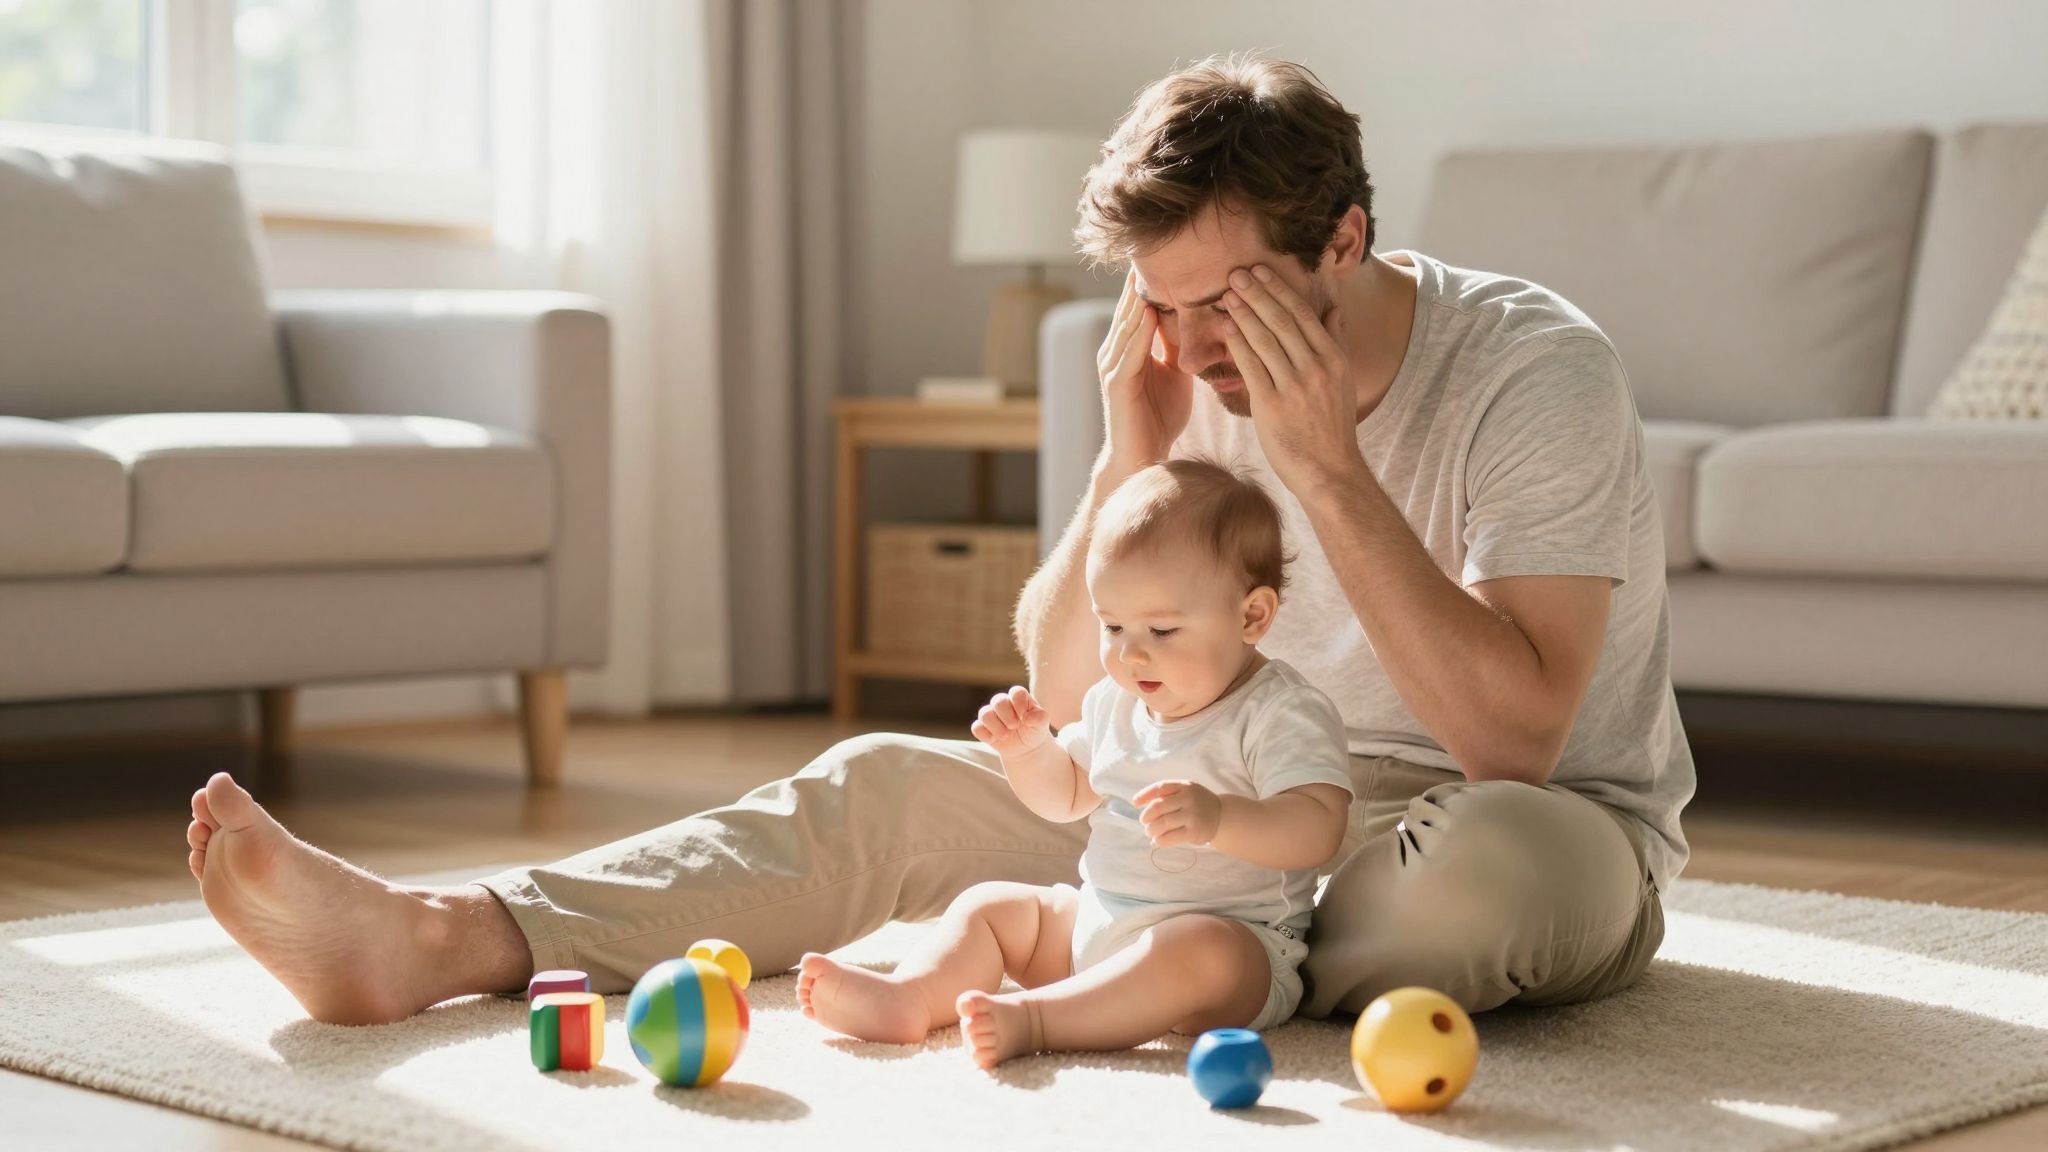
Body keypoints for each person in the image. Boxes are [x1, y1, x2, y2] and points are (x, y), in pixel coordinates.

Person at [185, 50, 1693, 1030]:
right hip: (1192, 813)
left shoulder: (1529, 367)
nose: (1191, 341)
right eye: (1158, 301)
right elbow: (1064, 688)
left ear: (1344, 242)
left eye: (1224, 300)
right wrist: (1129, 456)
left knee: (1487, 872)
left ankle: (1167, 959)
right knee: (888, 786)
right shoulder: (1176, 376)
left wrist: (1330, 473)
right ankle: (444, 938)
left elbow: (1520, 737)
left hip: (1483, 820)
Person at [796, 458, 1352, 1067]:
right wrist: (1029, 752)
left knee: (1200, 948)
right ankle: (911, 997)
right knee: (993, 906)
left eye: (1162, 630)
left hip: (1237, 955)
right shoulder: (1117, 703)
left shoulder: (1280, 712)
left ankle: (1037, 1021)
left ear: (1251, 616)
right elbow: (1064, 797)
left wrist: (1221, 818)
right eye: (1111, 625)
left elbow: (1317, 829)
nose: (1129, 653)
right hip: (1100, 924)